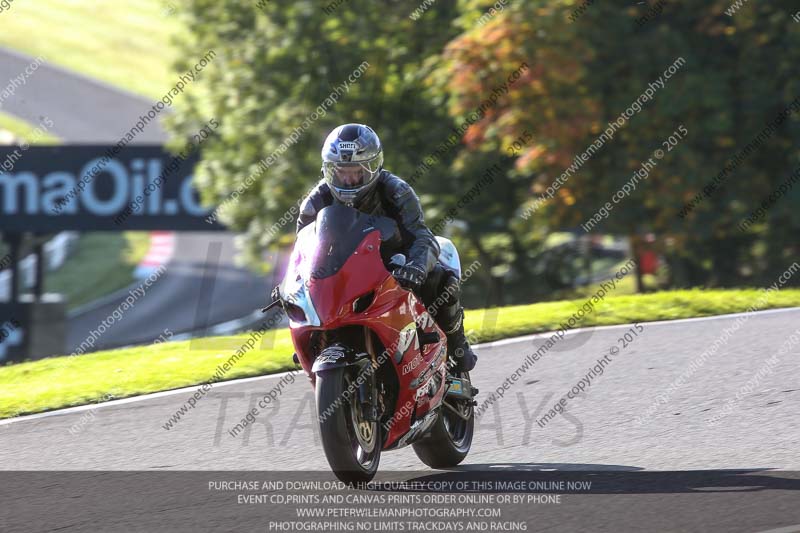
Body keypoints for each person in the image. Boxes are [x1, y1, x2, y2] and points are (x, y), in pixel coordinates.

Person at [295, 123, 477, 374]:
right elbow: (302, 251)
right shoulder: (316, 201)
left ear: (372, 167)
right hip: (343, 277)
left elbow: (422, 236)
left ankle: (457, 347)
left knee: (441, 278)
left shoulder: (396, 191)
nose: (347, 179)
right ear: (328, 170)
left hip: (393, 267)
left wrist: (416, 267)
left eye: (356, 171)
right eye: (340, 171)